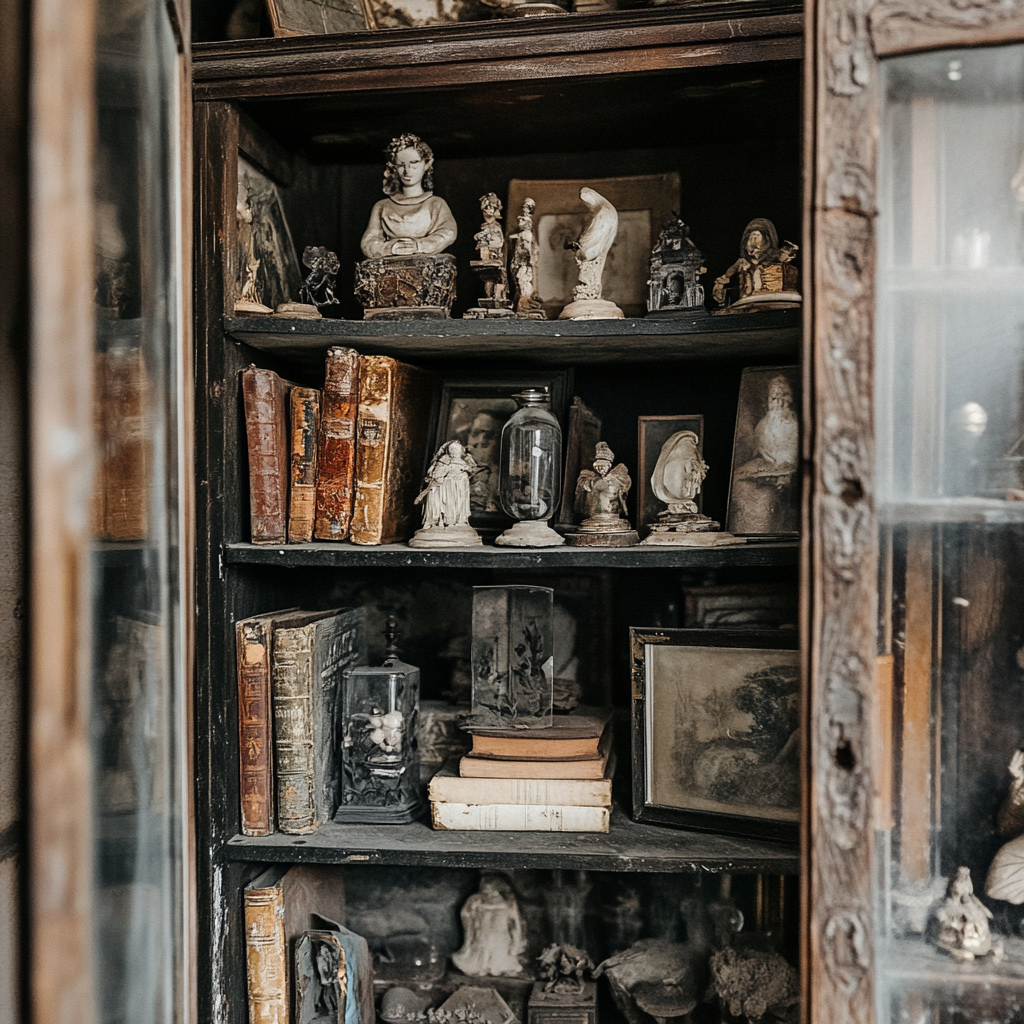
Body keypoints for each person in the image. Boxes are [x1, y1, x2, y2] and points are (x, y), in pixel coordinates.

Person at [359, 134, 457, 259]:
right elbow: (369, 241)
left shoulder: (436, 204)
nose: (407, 170)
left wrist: (419, 246)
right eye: (401, 165)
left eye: (414, 163)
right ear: (393, 167)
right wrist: (390, 248)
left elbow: (448, 232)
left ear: (427, 164)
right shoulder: (382, 206)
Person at [414, 440, 476, 530]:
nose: (454, 452)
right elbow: (434, 477)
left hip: (457, 490)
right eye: (452, 450)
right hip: (444, 490)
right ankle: (437, 522)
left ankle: (457, 521)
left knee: (457, 503)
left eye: (456, 450)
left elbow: (471, 471)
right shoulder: (442, 462)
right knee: (437, 496)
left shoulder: (465, 463)